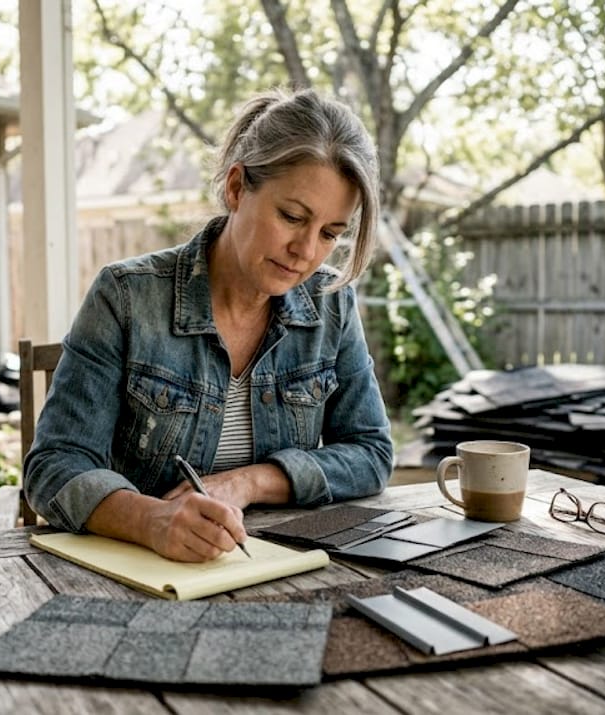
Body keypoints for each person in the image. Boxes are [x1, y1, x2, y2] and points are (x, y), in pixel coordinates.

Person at [24, 88, 393, 562]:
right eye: (291, 217)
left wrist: (249, 482)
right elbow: (54, 466)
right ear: (236, 187)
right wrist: (151, 520)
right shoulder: (127, 297)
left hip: (268, 565)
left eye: (329, 234)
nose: (306, 251)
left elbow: (371, 452)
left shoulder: (331, 303)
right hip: (142, 571)